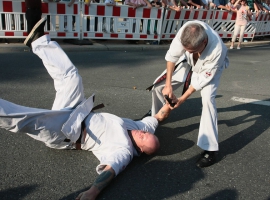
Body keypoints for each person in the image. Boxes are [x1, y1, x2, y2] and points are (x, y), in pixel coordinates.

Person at [1, 17, 171, 200]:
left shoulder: (123, 151)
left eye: (144, 138)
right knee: (72, 78)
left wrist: (93, 192)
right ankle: (38, 40)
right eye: (145, 133)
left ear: (141, 150)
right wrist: (170, 104)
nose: (142, 133)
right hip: (77, 110)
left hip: (66, 132)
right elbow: (157, 118)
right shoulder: (141, 128)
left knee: (26, 117)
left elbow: (110, 172)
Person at [143, 21, 229, 168]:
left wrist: (182, 98)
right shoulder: (186, 30)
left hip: (209, 69)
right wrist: (169, 85)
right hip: (188, 62)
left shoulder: (217, 50)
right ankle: (157, 117)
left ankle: (210, 149)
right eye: (186, 49)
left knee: (208, 101)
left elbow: (201, 80)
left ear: (204, 42)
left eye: (191, 50)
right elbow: (172, 57)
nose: (188, 51)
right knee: (159, 86)